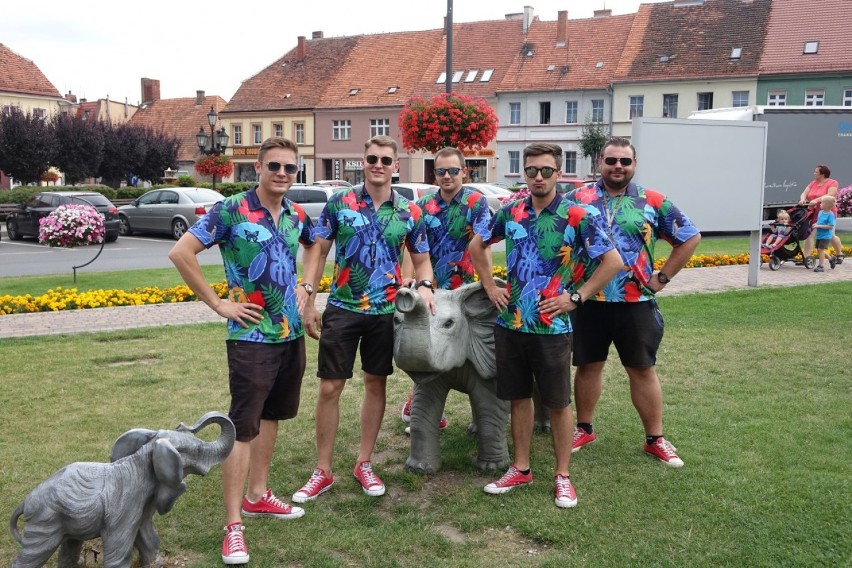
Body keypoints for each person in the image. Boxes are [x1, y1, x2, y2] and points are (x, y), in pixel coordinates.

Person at [168, 137, 314, 565]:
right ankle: (233, 526)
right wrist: (218, 303)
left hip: (289, 335)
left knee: (272, 418)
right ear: (258, 167)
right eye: (275, 166)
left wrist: (307, 286)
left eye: (290, 168)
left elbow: (314, 245)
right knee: (243, 427)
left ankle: (259, 494)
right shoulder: (230, 210)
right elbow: (182, 252)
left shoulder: (295, 213)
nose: (283, 174)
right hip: (251, 338)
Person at [469, 142, 622, 508]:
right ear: (524, 173)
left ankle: (562, 475)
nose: (539, 177)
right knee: (519, 399)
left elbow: (613, 262)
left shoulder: (577, 216)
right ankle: (521, 468)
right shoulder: (510, 212)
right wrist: (490, 285)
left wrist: (577, 297)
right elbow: (478, 246)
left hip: (552, 329)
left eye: (546, 171)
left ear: (559, 173)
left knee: (557, 403)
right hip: (511, 325)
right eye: (532, 171)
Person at [294, 135, 435, 502]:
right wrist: (309, 296)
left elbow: (421, 259)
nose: (378, 165)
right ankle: (322, 470)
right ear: (363, 160)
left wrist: (425, 286)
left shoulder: (409, 211)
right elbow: (318, 250)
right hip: (343, 307)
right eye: (372, 158)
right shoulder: (341, 202)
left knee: (376, 384)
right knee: (329, 387)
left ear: (396, 166)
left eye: (385, 160)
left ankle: (364, 462)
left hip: (386, 312)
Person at [566, 136, 701, 468]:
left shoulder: (652, 201)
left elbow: (690, 236)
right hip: (588, 299)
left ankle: (655, 439)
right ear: (600, 162)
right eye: (611, 160)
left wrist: (663, 277)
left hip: (635, 300)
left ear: (634, 165)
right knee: (587, 367)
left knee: (642, 370)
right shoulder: (576, 199)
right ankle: (583, 428)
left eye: (624, 161)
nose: (617, 167)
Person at [398, 146, 493, 431]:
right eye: (441, 171)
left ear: (464, 171)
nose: (447, 176)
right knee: (427, 345)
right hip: (432, 291)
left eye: (453, 170)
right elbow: (411, 246)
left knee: (470, 352)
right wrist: (407, 278)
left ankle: (482, 412)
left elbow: (484, 243)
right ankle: (421, 404)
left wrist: (485, 284)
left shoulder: (477, 202)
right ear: (434, 173)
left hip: (465, 292)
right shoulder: (424, 205)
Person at [799, 164, 843, 264]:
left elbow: (830, 195)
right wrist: (802, 199)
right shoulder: (813, 183)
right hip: (812, 213)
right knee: (809, 234)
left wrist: (816, 200)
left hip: (827, 213)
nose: (814, 173)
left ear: (822, 174)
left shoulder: (833, 183)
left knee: (831, 235)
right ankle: (807, 258)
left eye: (816, 172)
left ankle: (839, 254)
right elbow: (804, 193)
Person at [813, 196, 837, 272]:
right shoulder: (820, 212)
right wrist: (815, 224)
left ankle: (821, 266)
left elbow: (830, 226)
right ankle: (831, 259)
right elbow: (819, 221)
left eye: (822, 203)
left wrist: (818, 226)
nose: (820, 204)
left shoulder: (830, 215)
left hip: (826, 236)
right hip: (819, 235)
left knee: (820, 249)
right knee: (819, 250)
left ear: (827, 205)